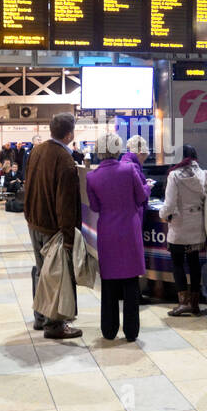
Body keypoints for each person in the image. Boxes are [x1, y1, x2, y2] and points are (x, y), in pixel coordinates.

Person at [86, 131, 150, 342]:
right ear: (117, 149)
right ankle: (131, 332)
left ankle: (109, 330)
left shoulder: (91, 177)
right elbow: (141, 198)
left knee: (109, 283)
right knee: (131, 282)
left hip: (107, 233)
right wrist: (148, 187)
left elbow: (94, 207)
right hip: (129, 230)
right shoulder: (129, 169)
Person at [23, 113, 82, 339]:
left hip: (35, 223)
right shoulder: (65, 161)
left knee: (41, 271)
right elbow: (65, 204)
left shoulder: (37, 151)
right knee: (56, 275)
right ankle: (55, 324)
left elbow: (29, 186)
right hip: (53, 229)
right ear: (69, 134)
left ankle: (40, 317)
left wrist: (29, 216)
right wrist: (68, 237)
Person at [160, 144, 207, 317]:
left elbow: (169, 205)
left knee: (177, 263)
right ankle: (196, 304)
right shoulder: (204, 174)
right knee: (194, 263)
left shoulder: (174, 176)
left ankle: (183, 303)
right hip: (197, 226)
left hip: (179, 226)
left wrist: (163, 214)